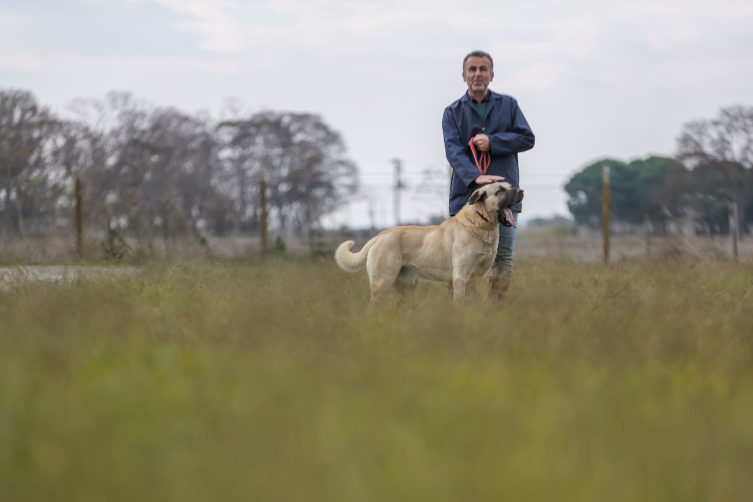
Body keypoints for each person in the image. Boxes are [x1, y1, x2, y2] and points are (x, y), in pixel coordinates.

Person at [442, 50, 535, 300]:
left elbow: (527, 138)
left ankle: (496, 312)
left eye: (483, 69)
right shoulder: (452, 113)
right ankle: (461, 317)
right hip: (466, 197)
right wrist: (475, 177)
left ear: (491, 75)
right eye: (472, 69)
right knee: (459, 260)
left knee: (502, 256)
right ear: (464, 75)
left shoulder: (509, 105)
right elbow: (453, 152)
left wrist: (493, 141)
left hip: (505, 198)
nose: (477, 74)